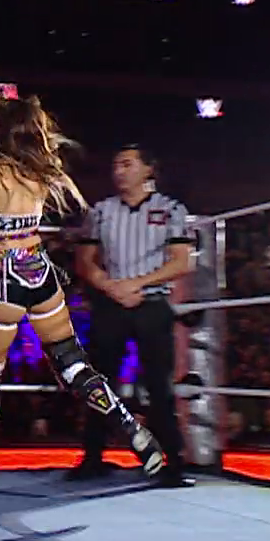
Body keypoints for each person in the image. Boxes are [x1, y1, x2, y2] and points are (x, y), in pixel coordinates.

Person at [0, 92, 164, 485]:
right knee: (73, 365)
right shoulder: (41, 168)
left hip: (4, 275)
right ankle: (133, 430)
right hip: (40, 271)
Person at [72, 144, 196, 486]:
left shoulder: (171, 209)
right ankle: (93, 457)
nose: (119, 171)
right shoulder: (100, 211)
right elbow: (84, 262)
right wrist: (111, 286)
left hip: (151, 301)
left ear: (148, 169)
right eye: (116, 165)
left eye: (127, 164)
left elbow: (182, 262)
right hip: (111, 302)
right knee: (100, 382)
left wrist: (136, 284)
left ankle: (173, 462)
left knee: (158, 383)